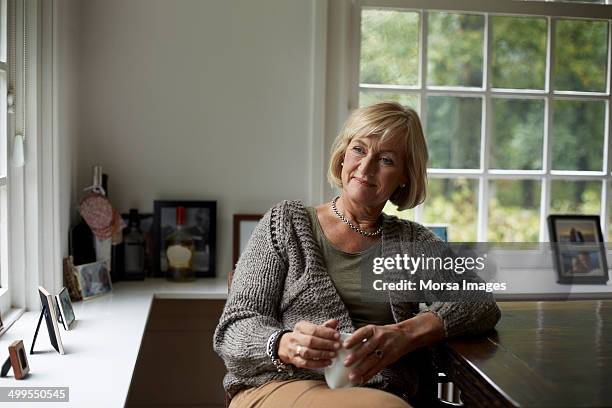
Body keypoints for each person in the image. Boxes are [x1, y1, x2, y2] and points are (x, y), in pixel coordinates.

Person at [214, 102, 501, 407]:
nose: (366, 169)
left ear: (404, 175)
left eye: (386, 159)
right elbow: (234, 327)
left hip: (383, 392)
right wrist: (286, 344)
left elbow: (478, 301)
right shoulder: (285, 223)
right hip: (280, 384)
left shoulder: (411, 241)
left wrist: (405, 334)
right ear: (343, 156)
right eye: (359, 150)